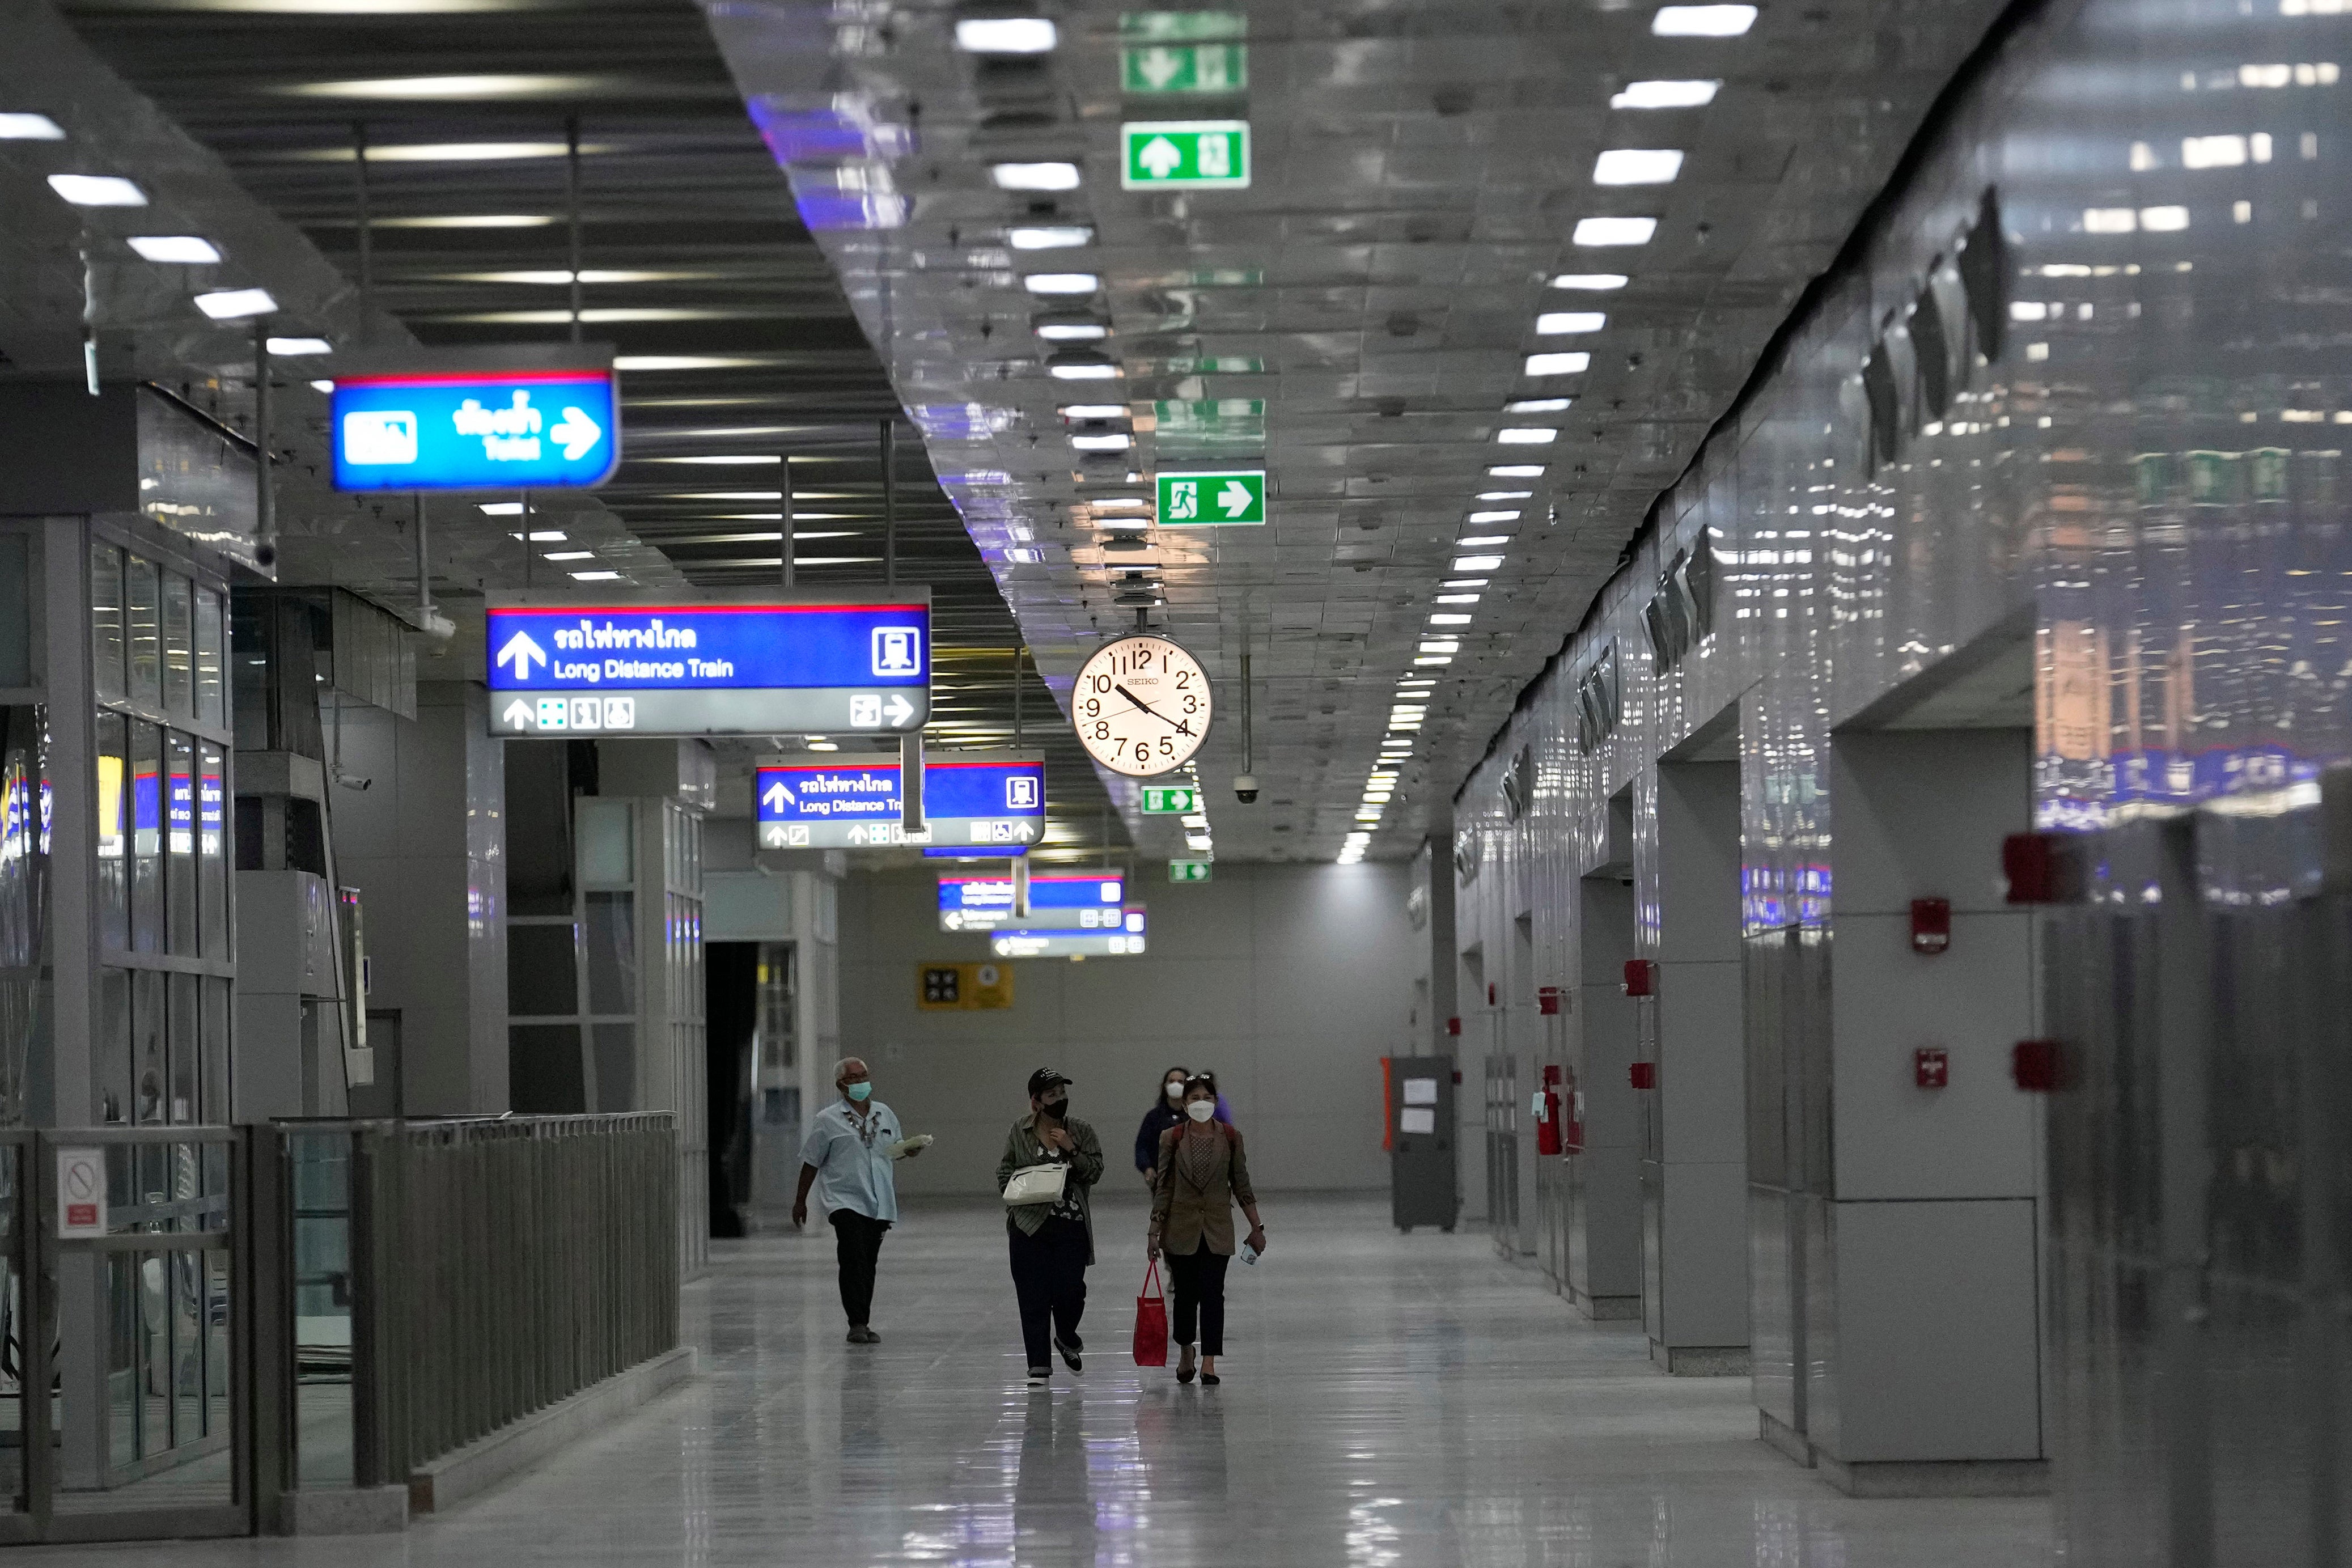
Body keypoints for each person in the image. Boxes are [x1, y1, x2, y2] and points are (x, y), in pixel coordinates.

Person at [794, 1057, 924, 1344]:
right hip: (845, 1200)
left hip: (879, 1201)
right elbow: (811, 1162)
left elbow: (895, 1150)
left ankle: (864, 1319)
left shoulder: (885, 1113)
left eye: (864, 1075)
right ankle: (856, 1323)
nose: (862, 1081)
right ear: (842, 1085)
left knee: (868, 1262)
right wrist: (800, 1201)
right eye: (854, 1078)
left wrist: (909, 1150)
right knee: (853, 1258)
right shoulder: (827, 1120)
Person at [1148, 1072, 1265, 1386]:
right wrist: (1153, 1231)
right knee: (1185, 1295)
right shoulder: (1171, 1138)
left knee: (1214, 1294)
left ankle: (1210, 1361)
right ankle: (1187, 1351)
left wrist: (1257, 1226)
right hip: (1180, 1228)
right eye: (1195, 1099)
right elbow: (1164, 1187)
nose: (1202, 1104)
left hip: (1216, 1227)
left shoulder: (1230, 1137)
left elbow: (1242, 1185)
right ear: (1185, 1105)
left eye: (1207, 1098)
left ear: (1216, 1101)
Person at [997, 1067, 1104, 1385]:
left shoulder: (1081, 1130)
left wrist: (1071, 1148)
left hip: (1071, 1225)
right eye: (1051, 1095)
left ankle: (1067, 1337)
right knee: (1033, 1297)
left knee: (1071, 1291)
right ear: (1036, 1102)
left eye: (1062, 1093)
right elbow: (1005, 1170)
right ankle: (1038, 1367)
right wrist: (1020, 1187)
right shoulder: (1021, 1130)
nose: (1059, 1100)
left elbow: (1095, 1171)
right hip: (1029, 1224)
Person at [1134, 1065, 1192, 1189]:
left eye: (1181, 1082)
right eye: (1171, 1081)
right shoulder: (1154, 1117)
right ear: (1165, 1086)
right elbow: (1142, 1146)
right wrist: (1147, 1168)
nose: (1176, 1085)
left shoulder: (1194, 1116)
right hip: (1162, 1179)